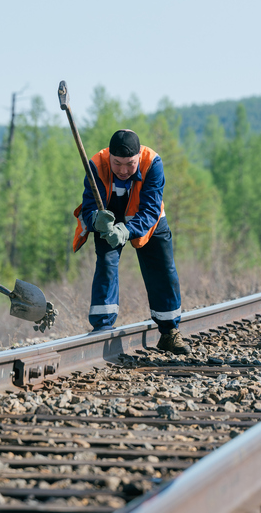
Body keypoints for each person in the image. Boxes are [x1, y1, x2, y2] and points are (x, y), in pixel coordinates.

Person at [72, 129, 190, 355]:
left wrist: (127, 230)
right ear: (109, 158)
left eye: (130, 164)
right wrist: (97, 220)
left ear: (138, 157)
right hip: (109, 217)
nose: (123, 170)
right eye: (117, 164)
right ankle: (103, 327)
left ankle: (169, 333)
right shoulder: (96, 165)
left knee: (162, 270)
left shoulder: (153, 163)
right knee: (106, 265)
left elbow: (151, 209)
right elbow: (88, 207)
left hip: (147, 220)